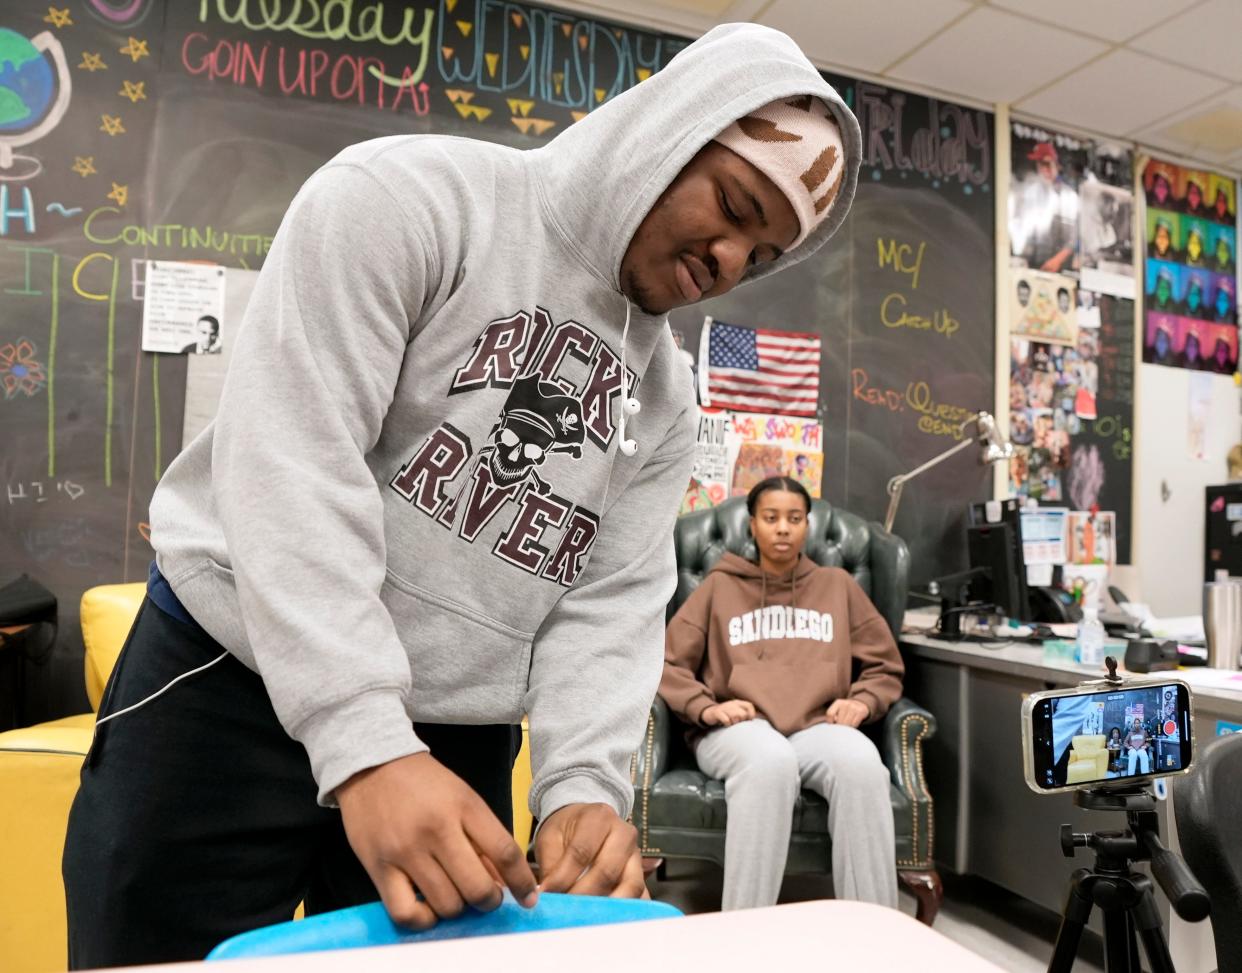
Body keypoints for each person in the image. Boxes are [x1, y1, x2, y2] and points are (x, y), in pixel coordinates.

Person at [61, 24, 864, 968]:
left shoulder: (665, 399)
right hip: (232, 680)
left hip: (460, 733)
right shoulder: (402, 200)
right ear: (666, 130)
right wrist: (365, 743)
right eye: (733, 205)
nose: (731, 259)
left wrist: (580, 788)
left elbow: (607, 603)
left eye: (762, 255)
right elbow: (291, 465)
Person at [659, 476, 904, 911]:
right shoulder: (719, 587)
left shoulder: (837, 586)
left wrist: (862, 701)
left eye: (794, 518)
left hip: (817, 726)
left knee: (864, 765)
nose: (783, 529)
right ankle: (746, 934)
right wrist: (707, 708)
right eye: (771, 518)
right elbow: (666, 663)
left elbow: (885, 665)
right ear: (752, 524)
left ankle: (873, 934)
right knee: (770, 761)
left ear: (807, 525)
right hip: (740, 730)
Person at [1010, 142, 1078, 273]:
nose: (1044, 169)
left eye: (1047, 164)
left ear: (1057, 165)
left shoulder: (1067, 196)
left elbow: (1072, 240)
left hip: (1057, 267)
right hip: (1031, 265)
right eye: (1040, 164)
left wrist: (1056, 261)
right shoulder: (1032, 191)